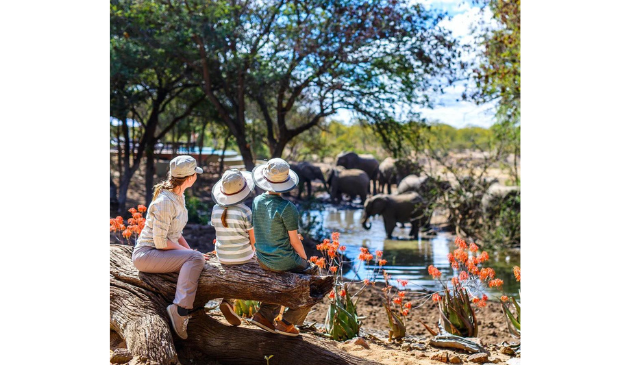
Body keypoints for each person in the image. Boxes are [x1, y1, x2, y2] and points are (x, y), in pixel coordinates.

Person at [132, 155, 208, 340]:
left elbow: (175, 233)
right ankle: (180, 310)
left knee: (196, 257)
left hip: (159, 252)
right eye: (195, 173)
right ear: (190, 178)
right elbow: (160, 242)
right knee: (195, 258)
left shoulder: (177, 196)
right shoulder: (165, 201)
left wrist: (192, 251)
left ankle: (182, 308)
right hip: (147, 255)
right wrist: (192, 255)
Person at [248, 158, 315, 337]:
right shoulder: (288, 207)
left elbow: (264, 229)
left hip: (263, 259)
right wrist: (305, 261)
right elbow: (294, 241)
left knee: (279, 278)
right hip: (282, 260)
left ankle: (264, 315)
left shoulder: (256, 202)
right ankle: (287, 322)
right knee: (313, 283)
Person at [210, 169, 257, 326]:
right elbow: (253, 240)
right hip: (242, 256)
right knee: (256, 269)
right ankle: (230, 302)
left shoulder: (216, 209)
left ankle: (228, 302)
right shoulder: (245, 211)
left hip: (222, 255)